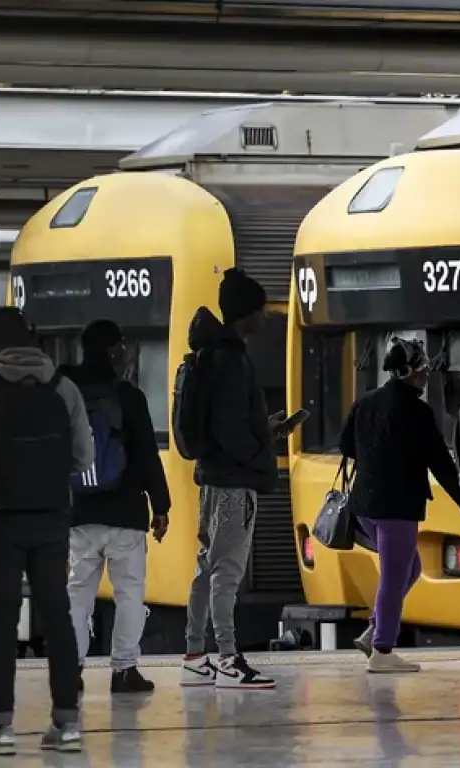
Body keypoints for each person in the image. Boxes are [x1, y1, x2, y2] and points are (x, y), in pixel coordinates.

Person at [0, 306, 94, 755]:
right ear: (34, 339)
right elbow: (84, 457)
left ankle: (0, 727)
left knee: (2, 620)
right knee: (58, 616)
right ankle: (66, 725)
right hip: (52, 518)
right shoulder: (64, 388)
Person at [343, 337, 460, 673]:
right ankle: (382, 650)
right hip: (397, 508)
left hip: (365, 505)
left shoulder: (364, 403)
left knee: (410, 569)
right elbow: (442, 464)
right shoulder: (417, 413)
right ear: (410, 372)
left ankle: (374, 630)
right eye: (423, 369)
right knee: (393, 580)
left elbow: (346, 445)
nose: (426, 375)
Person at [180, 268, 287, 690]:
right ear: (247, 313)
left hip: (214, 480)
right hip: (233, 486)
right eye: (261, 310)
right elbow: (230, 430)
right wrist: (261, 455)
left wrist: (264, 429)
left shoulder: (213, 355)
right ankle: (228, 658)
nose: (265, 316)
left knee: (207, 568)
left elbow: (225, 423)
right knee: (226, 573)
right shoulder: (232, 359)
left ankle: (194, 655)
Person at [61, 319, 172, 694]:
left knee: (78, 592)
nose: (126, 354)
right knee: (129, 593)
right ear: (112, 351)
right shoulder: (128, 396)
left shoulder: (66, 395)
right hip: (125, 512)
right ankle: (124, 670)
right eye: (122, 347)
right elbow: (146, 456)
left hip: (79, 511)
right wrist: (161, 506)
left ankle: (71, 668)